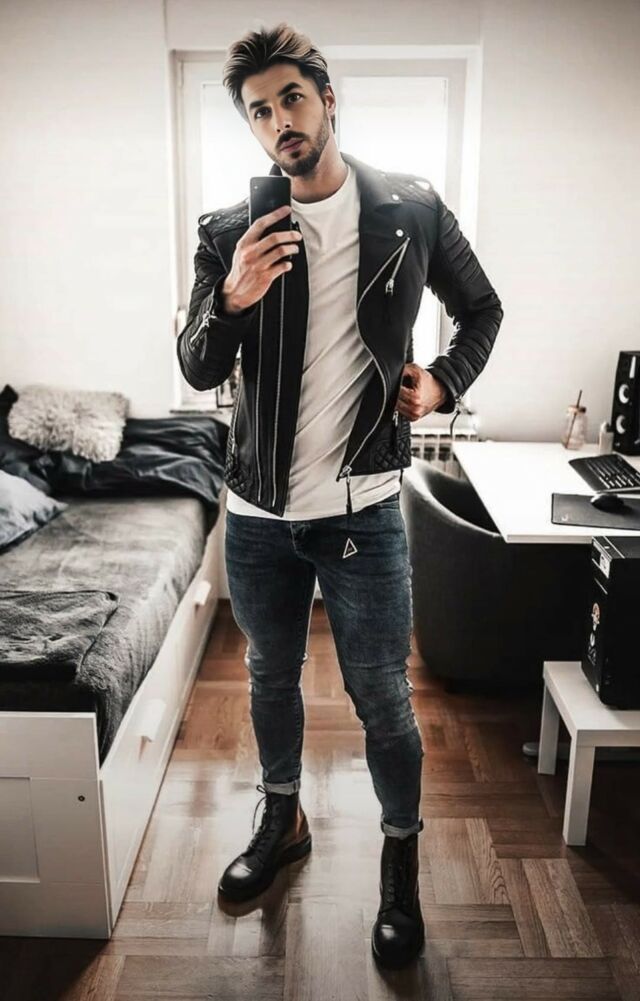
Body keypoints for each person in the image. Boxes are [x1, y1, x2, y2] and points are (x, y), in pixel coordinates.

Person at [177, 21, 503, 970]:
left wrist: (442, 382)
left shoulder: (410, 208)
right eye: (259, 111)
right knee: (269, 677)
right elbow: (196, 366)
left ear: (326, 98)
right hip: (258, 516)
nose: (279, 120)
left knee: (382, 696)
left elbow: (482, 309)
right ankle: (282, 817)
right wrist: (230, 298)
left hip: (363, 507)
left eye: (291, 98)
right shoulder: (228, 233)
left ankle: (399, 860)